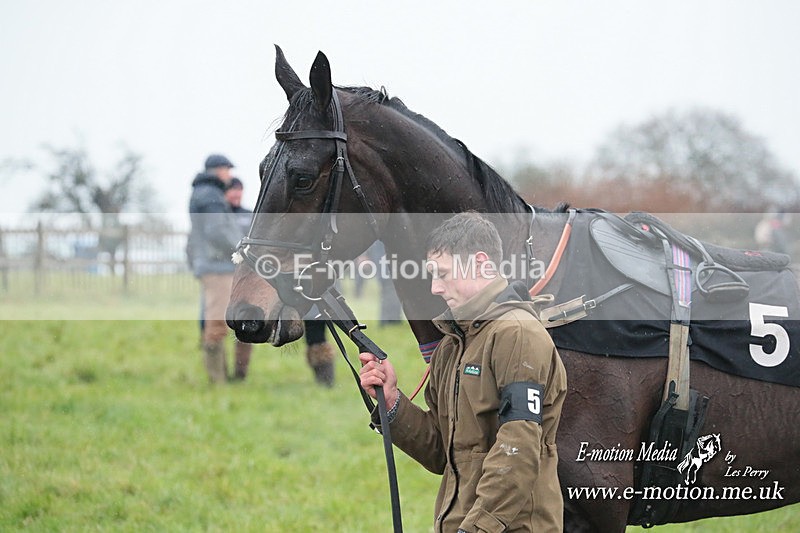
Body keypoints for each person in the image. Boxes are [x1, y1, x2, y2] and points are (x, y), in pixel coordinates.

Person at [359, 212, 567, 532]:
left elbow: (519, 448)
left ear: (481, 263)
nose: (435, 288)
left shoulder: (517, 334)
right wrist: (391, 403)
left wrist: (476, 528)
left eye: (442, 274)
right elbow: (442, 451)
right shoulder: (452, 345)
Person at [187, 153, 245, 384]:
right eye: (227, 169)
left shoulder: (205, 193)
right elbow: (217, 230)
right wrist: (241, 247)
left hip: (214, 265)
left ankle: (221, 377)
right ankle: (217, 380)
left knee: (217, 321)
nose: (229, 175)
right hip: (217, 266)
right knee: (217, 323)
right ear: (218, 170)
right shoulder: (209, 194)